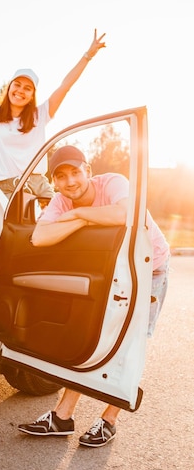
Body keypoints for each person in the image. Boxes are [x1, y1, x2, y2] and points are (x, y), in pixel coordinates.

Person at [18, 145, 170, 447]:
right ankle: (63, 416)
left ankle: (110, 419)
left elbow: (127, 213)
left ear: (88, 170)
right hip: (114, 271)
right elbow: (39, 236)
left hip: (149, 269)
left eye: (75, 172)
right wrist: (87, 218)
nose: (70, 181)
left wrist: (79, 216)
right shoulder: (61, 200)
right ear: (54, 182)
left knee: (131, 343)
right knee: (95, 337)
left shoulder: (113, 183)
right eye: (61, 176)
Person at [0, 5, 106, 200]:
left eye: (27, 88)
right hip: (4, 188)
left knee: (62, 218)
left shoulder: (40, 115)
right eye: (17, 85)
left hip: (38, 185)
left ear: (32, 96)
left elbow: (65, 86)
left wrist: (87, 56)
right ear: (10, 87)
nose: (20, 91)